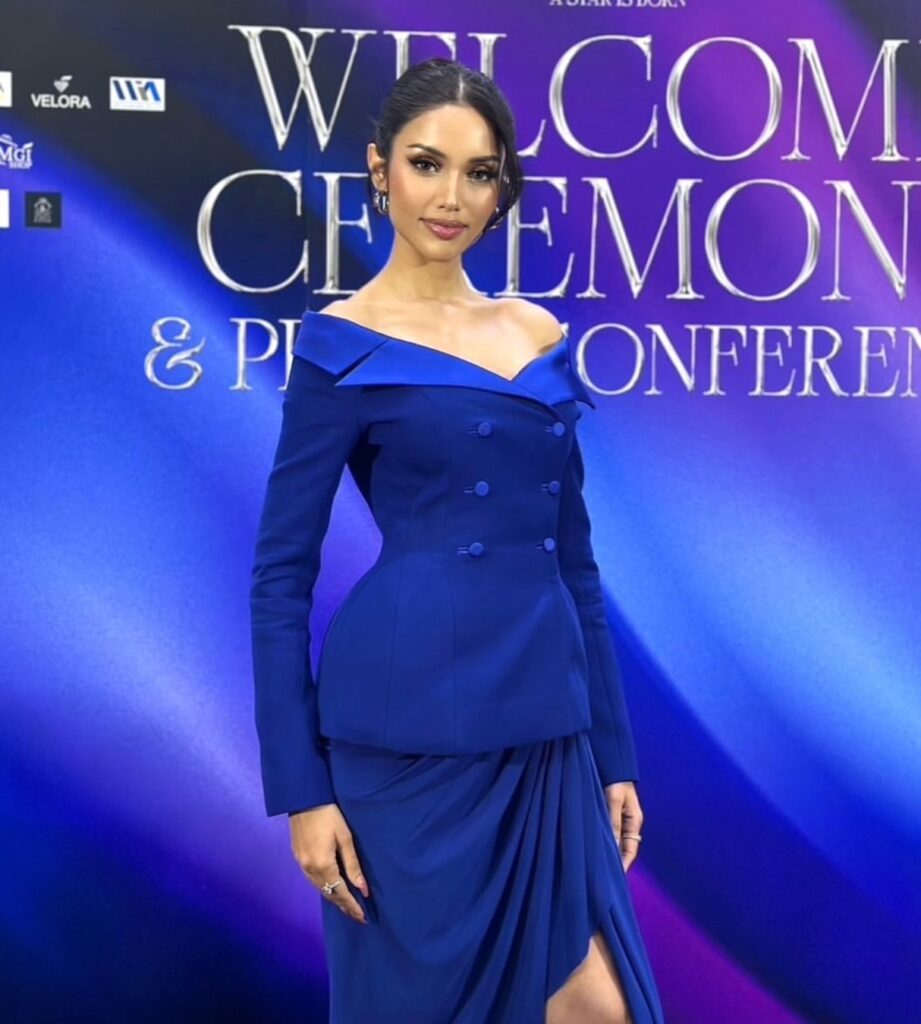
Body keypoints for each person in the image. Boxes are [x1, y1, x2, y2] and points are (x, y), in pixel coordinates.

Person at [250, 57, 665, 1024]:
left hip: (545, 734)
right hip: (402, 742)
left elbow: (574, 565)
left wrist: (613, 753)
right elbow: (279, 578)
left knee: (600, 1010)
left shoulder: (536, 332)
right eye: (426, 164)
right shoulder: (339, 344)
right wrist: (301, 793)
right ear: (379, 169)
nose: (450, 197)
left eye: (478, 173)